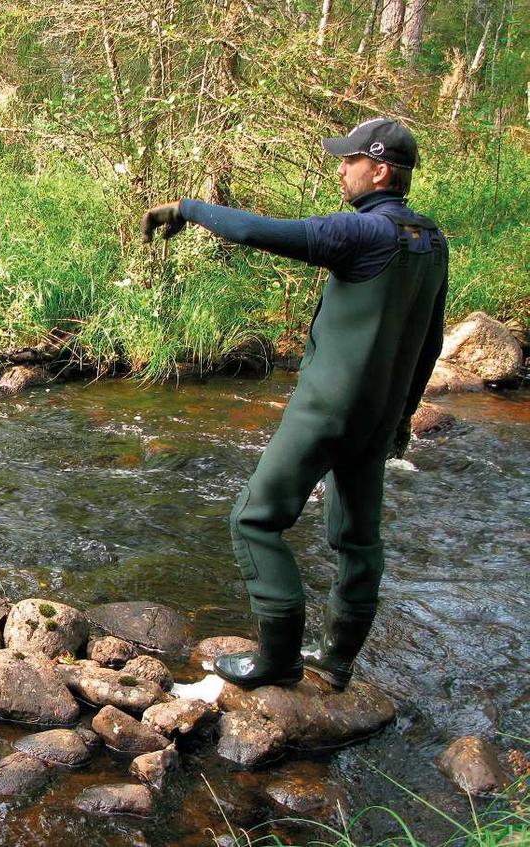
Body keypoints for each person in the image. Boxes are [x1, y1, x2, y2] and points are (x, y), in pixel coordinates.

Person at [141, 117, 448, 690]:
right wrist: (403, 415)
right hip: (377, 419)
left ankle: (278, 661)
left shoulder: (361, 234)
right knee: (358, 538)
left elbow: (259, 231)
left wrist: (187, 208)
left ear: (379, 170)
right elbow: (429, 340)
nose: (341, 168)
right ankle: (335, 665)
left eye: (350, 161)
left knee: (253, 521)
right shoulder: (430, 241)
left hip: (325, 412)